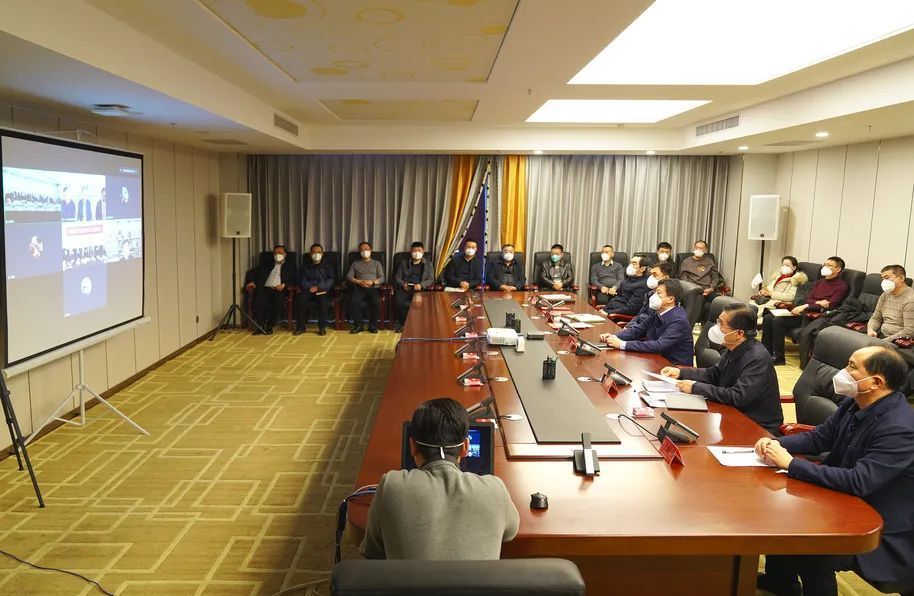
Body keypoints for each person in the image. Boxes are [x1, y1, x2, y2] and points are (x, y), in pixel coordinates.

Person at [755, 346, 914, 596]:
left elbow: (859, 481)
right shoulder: (856, 402)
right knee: (781, 511)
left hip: (880, 522)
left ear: (876, 382)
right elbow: (820, 438)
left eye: (852, 366)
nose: (843, 371)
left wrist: (791, 464)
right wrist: (776, 443)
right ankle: (781, 582)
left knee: (814, 550)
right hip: (843, 501)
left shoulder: (899, 428)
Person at [360, 397, 520, 560]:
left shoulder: (391, 485)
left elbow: (372, 550)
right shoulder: (495, 489)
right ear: (465, 447)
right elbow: (510, 533)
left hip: (408, 578)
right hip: (475, 578)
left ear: (413, 446)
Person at [661, 303, 783, 434]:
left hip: (757, 427)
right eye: (717, 321)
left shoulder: (757, 358)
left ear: (739, 333)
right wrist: (681, 372)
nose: (715, 327)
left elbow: (738, 396)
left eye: (721, 324)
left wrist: (695, 387)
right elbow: (713, 374)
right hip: (732, 414)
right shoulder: (733, 347)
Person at [761, 256, 849, 365]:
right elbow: (808, 298)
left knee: (778, 321)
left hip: (815, 318)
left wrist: (808, 305)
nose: (825, 267)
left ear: (838, 269)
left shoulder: (841, 286)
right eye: (824, 264)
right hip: (803, 312)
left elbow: (831, 304)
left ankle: (779, 357)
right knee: (768, 317)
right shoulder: (819, 283)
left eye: (829, 265)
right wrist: (817, 302)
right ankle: (765, 352)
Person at [600, 279, 693, 366]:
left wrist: (622, 344)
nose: (654, 296)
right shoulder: (658, 311)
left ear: (671, 299)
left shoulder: (678, 321)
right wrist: (614, 337)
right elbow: (637, 330)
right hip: (654, 359)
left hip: (673, 367)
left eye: (658, 293)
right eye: (655, 292)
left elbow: (659, 345)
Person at [245, 245, 295, 335]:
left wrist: (284, 285)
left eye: (280, 253)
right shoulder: (267, 264)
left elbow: (294, 279)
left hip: (279, 290)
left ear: (285, 254)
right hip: (265, 288)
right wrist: (251, 281)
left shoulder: (290, 267)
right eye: (275, 253)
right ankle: (260, 326)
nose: (277, 255)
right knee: (259, 302)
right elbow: (252, 272)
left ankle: (269, 325)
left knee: (279, 305)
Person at [293, 243, 335, 336]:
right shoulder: (305, 267)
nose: (316, 254)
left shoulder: (328, 266)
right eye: (314, 252)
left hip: (322, 290)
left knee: (323, 302)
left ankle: (321, 327)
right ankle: (301, 327)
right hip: (309, 290)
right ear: (310, 254)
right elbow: (303, 280)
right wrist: (309, 287)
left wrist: (319, 287)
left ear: (322, 253)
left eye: (319, 252)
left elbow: (331, 280)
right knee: (300, 300)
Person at [392, 242, 434, 333]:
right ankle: (403, 324)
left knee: (419, 304)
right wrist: (403, 284)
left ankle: (417, 324)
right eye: (414, 250)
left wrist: (421, 285)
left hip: (419, 288)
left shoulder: (428, 264)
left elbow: (431, 279)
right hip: (405, 288)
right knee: (398, 302)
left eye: (419, 250)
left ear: (423, 252)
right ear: (410, 252)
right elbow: (397, 277)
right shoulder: (403, 263)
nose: (417, 252)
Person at [868, 264, 914, 341]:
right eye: (882, 279)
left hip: (899, 340)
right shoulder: (885, 295)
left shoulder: (911, 299)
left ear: (901, 278)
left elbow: (909, 331)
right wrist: (870, 330)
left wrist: (884, 341)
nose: (884, 281)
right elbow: (876, 318)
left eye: (887, 278)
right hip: (881, 335)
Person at [347, 242, 385, 334]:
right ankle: (359, 326)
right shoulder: (355, 263)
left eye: (366, 249)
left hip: (373, 288)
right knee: (353, 301)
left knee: (376, 302)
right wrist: (359, 281)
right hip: (359, 287)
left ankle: (373, 326)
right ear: (359, 252)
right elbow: (349, 276)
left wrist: (372, 282)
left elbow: (382, 278)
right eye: (362, 250)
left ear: (370, 250)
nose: (364, 251)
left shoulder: (377, 263)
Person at [625, 261, 674, 329]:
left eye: (655, 275)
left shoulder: (666, 299)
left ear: (666, 278)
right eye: (651, 274)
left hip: (644, 331)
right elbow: (640, 315)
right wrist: (627, 327)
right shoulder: (650, 293)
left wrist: (632, 330)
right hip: (635, 328)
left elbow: (651, 324)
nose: (651, 277)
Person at [678, 240, 719, 307]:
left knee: (718, 302)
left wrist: (711, 288)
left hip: (707, 289)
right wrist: (695, 289)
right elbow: (684, 279)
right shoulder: (686, 262)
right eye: (697, 248)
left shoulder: (710, 261)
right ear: (694, 248)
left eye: (701, 248)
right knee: (699, 300)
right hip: (693, 289)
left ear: (705, 250)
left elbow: (715, 277)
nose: (698, 250)